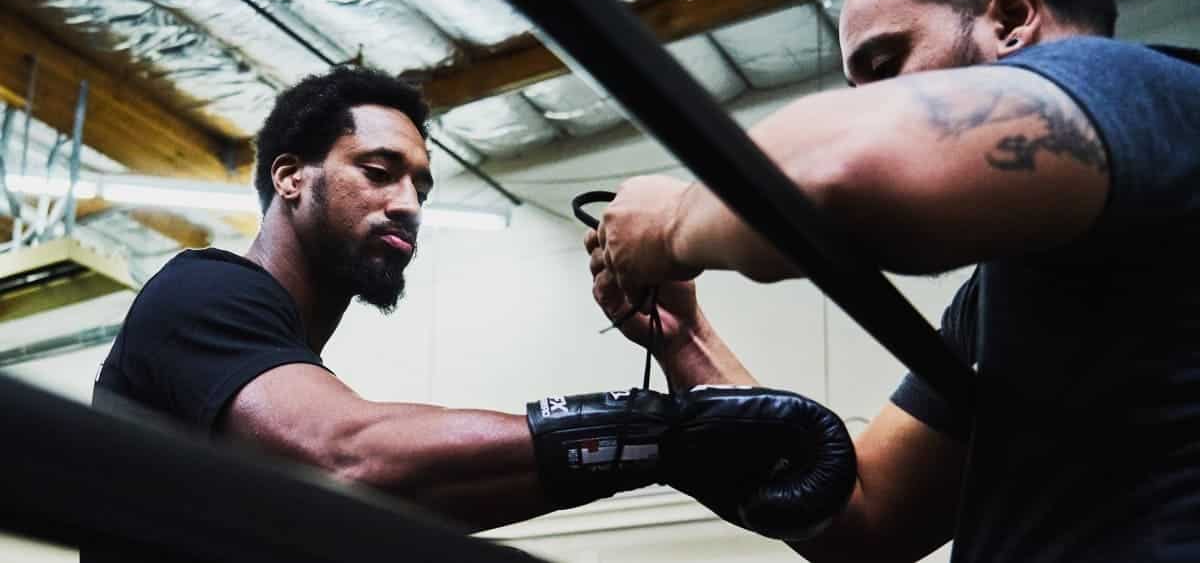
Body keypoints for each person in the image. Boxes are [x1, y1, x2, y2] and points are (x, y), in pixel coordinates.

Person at [586, 0, 1200, 563]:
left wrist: (673, 220)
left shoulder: (1147, 91)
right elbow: (865, 518)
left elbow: (839, 168)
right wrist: (688, 341)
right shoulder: (1006, 291)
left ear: (1015, 19)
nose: (878, 105)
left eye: (885, 67)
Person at [87, 67, 854, 562]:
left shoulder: (279, 368)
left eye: (422, 186)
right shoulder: (201, 293)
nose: (408, 204)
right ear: (290, 177)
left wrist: (651, 445)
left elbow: (415, 492)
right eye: (380, 171)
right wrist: (651, 434)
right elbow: (351, 455)